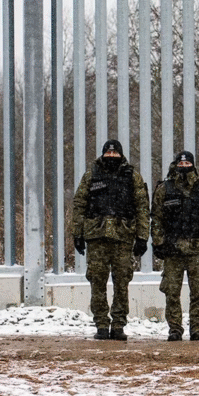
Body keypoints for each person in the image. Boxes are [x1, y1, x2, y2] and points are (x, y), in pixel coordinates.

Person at [70, 139, 150, 341]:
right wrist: (77, 233)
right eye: (109, 154)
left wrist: (142, 237)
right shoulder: (92, 175)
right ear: (103, 154)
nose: (111, 157)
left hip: (123, 237)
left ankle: (118, 324)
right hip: (96, 237)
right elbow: (79, 204)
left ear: (121, 155)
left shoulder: (132, 176)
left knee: (122, 282)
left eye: (115, 154)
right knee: (97, 282)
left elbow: (142, 207)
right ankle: (101, 325)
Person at [150, 150, 199, 341]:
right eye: (181, 164)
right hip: (173, 249)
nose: (184, 167)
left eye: (188, 164)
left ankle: (197, 328)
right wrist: (158, 243)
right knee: (172, 291)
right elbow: (156, 218)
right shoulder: (165, 189)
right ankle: (175, 329)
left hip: (197, 248)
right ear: (175, 165)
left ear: (193, 165)